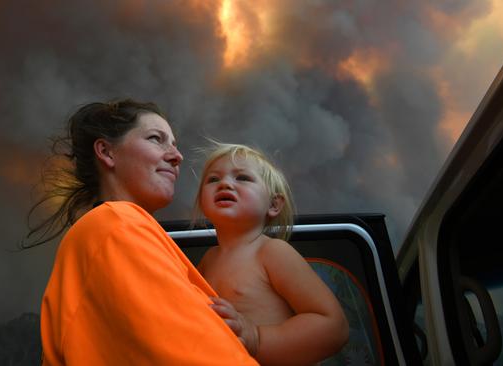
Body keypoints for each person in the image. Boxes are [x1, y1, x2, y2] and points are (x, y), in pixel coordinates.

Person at [26, 99, 258, 365]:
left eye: (174, 144)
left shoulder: (112, 228)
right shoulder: (117, 224)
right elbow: (194, 354)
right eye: (156, 139)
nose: (176, 156)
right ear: (107, 152)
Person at [194, 142, 349, 365]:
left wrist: (257, 338)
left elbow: (334, 326)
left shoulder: (272, 252)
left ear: (274, 204)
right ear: (202, 201)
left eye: (243, 178)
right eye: (213, 179)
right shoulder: (208, 260)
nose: (225, 183)